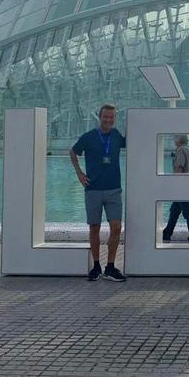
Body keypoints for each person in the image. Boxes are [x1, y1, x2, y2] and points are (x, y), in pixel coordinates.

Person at [70, 104, 127, 282]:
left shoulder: (117, 136)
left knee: (116, 227)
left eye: (112, 117)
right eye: (106, 117)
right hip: (93, 189)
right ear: (100, 117)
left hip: (113, 189)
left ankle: (110, 266)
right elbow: (73, 152)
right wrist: (79, 174)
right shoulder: (89, 137)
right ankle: (96, 265)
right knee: (94, 227)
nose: (109, 120)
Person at [162, 134, 189, 244]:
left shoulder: (180, 150)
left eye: (175, 137)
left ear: (179, 139)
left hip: (181, 186)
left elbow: (179, 167)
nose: (174, 139)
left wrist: (174, 185)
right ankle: (167, 233)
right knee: (175, 210)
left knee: (187, 211)